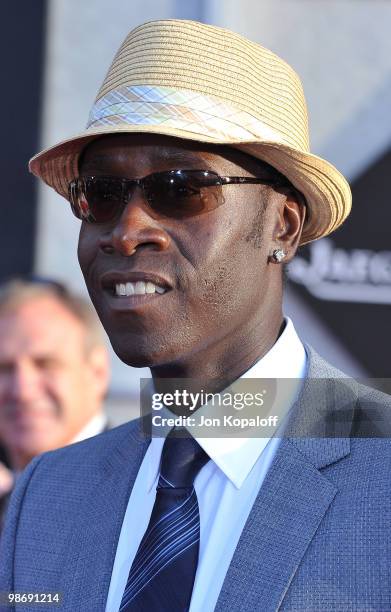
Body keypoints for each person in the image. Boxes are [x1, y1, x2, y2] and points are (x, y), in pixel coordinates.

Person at [0, 19, 390, 612]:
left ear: (281, 225)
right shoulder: (48, 494)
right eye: (101, 194)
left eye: (182, 188)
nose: (127, 231)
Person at [0, 278, 110, 531]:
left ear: (97, 372)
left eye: (45, 364)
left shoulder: (148, 494)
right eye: (4, 369)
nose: (22, 391)